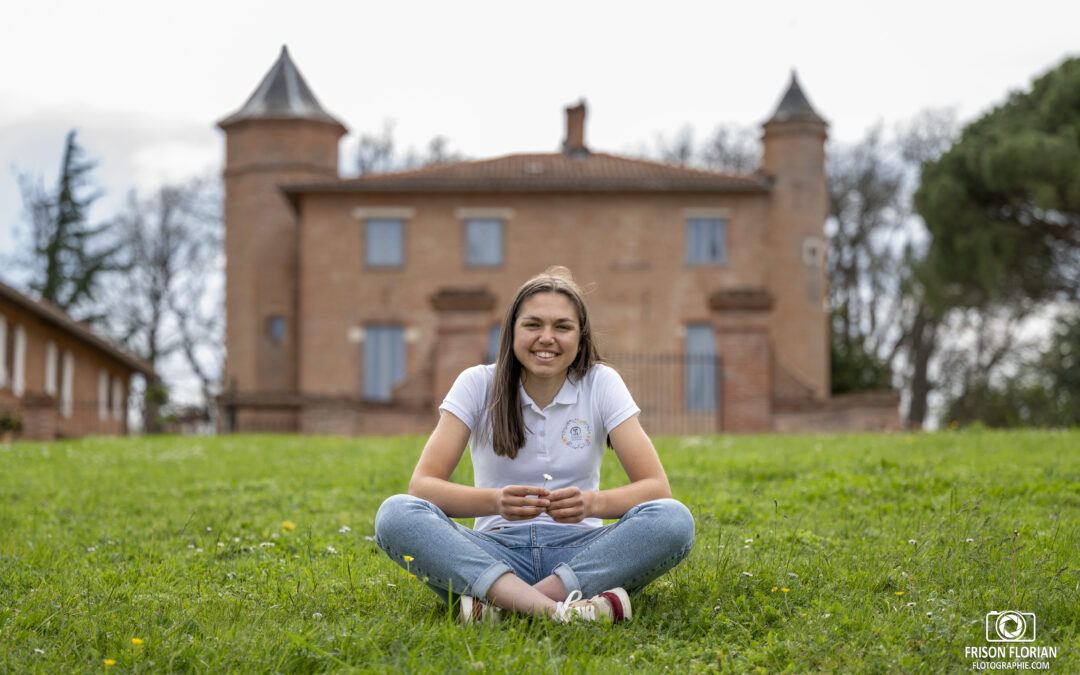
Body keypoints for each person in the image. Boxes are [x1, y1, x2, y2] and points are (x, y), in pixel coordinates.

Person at [374, 266, 695, 623]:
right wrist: (496, 501)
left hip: (579, 554)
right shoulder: (477, 383)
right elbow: (423, 488)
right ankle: (562, 612)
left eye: (562, 327)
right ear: (511, 331)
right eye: (533, 325)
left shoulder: (601, 383)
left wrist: (592, 503)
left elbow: (656, 489)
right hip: (494, 551)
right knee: (395, 514)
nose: (547, 338)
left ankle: (502, 607)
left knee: (674, 520)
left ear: (581, 337)